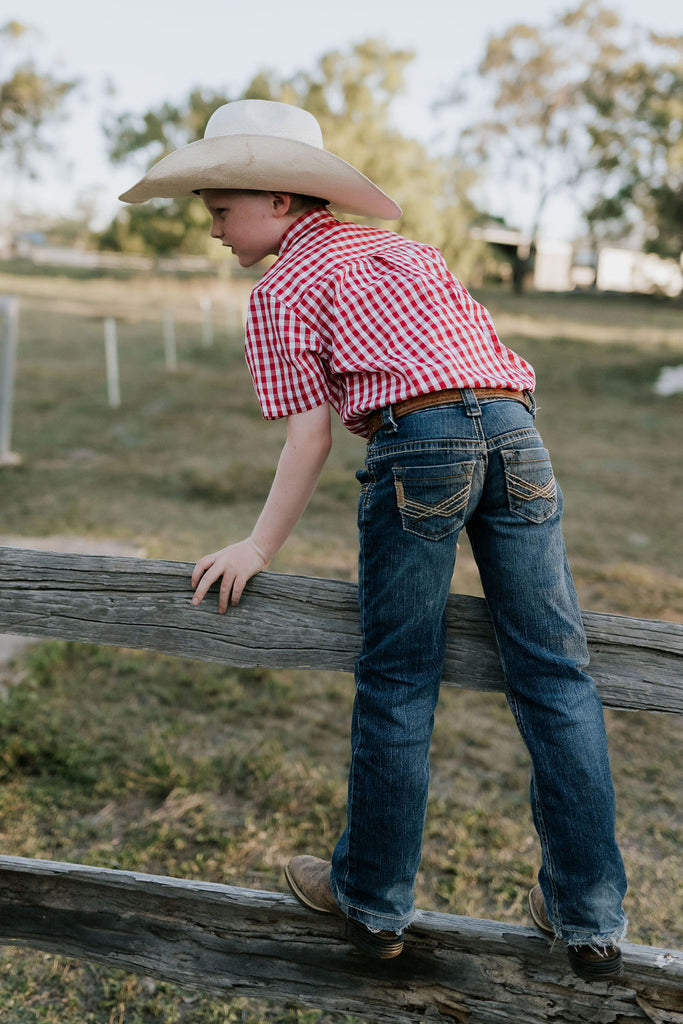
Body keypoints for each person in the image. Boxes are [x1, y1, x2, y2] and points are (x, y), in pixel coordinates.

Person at [120, 99, 628, 978]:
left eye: (219, 212)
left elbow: (307, 439)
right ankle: (589, 916)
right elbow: (480, 365)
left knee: (398, 675)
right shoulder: (408, 251)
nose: (212, 232)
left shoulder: (281, 289)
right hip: (516, 435)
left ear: (280, 201)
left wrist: (258, 546)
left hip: (417, 446)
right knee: (554, 670)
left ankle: (372, 899)